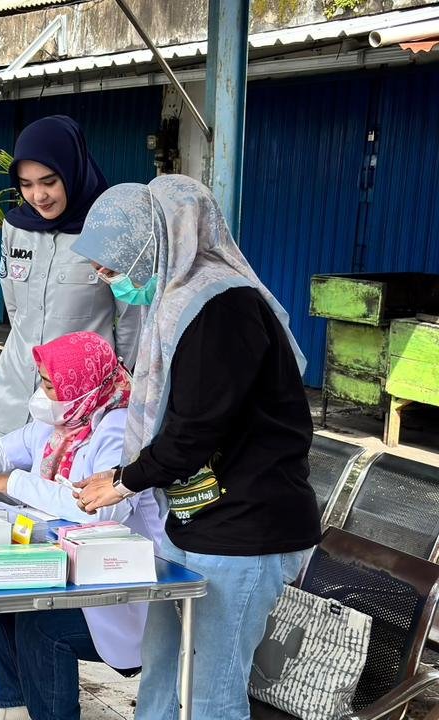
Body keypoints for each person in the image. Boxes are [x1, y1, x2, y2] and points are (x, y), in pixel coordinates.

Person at [71, 176, 321, 720]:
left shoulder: (219, 306)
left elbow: (194, 429)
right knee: (162, 666)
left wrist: (123, 479)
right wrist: (125, 475)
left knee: (209, 692)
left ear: (155, 245)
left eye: (112, 270)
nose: (106, 282)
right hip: (199, 517)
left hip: (246, 526)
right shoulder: (175, 302)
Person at [0, 331, 164, 720]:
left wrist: (14, 482)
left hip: (118, 590)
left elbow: (98, 510)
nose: (43, 395)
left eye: (49, 385)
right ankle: (14, 708)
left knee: (40, 625)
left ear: (81, 385)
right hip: (65, 570)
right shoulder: (63, 423)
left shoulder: (117, 430)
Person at [0, 115, 141, 441]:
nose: (38, 195)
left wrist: (122, 389)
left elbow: (131, 322)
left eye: (49, 181)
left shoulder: (109, 230)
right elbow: (16, 312)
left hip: (79, 408)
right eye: (26, 185)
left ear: (73, 170)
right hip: (10, 399)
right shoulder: (15, 227)